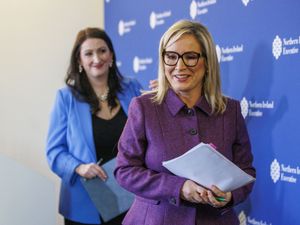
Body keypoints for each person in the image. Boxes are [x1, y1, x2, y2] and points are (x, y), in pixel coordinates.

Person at [114, 20, 256, 225]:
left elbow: (246, 172)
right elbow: (124, 170)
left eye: (190, 57)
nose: (179, 66)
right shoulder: (144, 107)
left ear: (207, 63)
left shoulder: (230, 111)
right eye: (171, 57)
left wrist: (230, 196)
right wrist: (178, 187)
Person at [46, 27, 144, 225]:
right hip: (84, 203)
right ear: (79, 60)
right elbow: (54, 151)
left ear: (111, 55)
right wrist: (79, 167)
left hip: (130, 197)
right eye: (88, 53)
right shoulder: (66, 98)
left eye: (102, 50)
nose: (96, 58)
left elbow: (147, 133)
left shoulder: (131, 88)